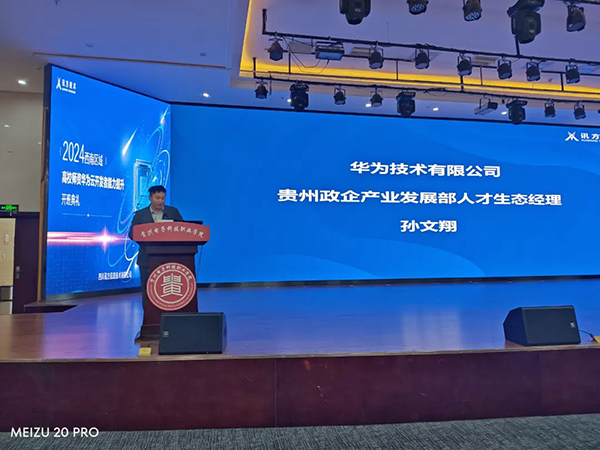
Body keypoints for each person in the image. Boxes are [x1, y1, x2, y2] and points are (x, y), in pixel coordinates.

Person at [129, 185, 184, 291]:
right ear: (150, 198)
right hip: (146, 258)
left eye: (163, 198)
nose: (160, 201)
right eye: (157, 198)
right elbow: (132, 234)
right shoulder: (140, 214)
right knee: (148, 290)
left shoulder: (173, 212)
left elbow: (182, 230)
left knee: (165, 290)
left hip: (169, 258)